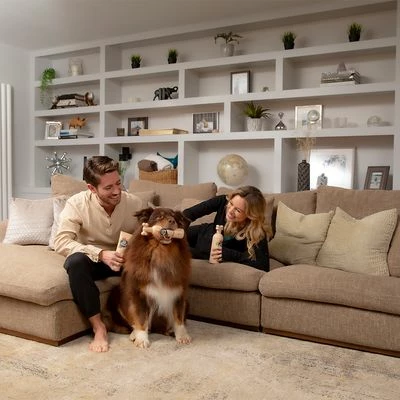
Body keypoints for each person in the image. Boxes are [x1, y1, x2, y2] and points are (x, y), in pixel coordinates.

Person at [54, 156, 142, 353]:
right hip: (94, 260)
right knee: (75, 262)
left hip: (125, 261)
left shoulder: (135, 203)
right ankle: (99, 327)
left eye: (118, 183)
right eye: (108, 187)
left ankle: (146, 321)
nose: (117, 191)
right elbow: (61, 242)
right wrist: (101, 254)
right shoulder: (76, 204)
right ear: (92, 188)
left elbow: (143, 237)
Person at [183, 186, 271, 271]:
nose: (230, 211)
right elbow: (188, 214)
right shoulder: (223, 201)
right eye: (231, 203)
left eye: (238, 210)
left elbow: (263, 266)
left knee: (180, 250)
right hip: (201, 234)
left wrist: (229, 254)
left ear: (250, 215)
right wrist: (180, 230)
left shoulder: (256, 232)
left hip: (205, 252)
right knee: (175, 240)